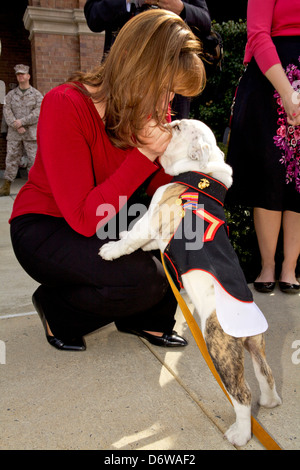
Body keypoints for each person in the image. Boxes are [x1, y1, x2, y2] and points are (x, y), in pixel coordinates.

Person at [9, 10, 206, 351]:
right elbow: (84, 219)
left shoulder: (148, 109)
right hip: (47, 226)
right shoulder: (65, 104)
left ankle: (146, 318)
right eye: (163, 89)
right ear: (132, 65)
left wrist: (188, 174)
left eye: (172, 93)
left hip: (108, 214)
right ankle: (58, 309)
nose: (167, 103)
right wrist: (143, 154)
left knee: (185, 226)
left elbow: (159, 189)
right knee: (141, 279)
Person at [226, 0, 300, 294]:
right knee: (268, 173)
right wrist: (287, 92)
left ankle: (290, 267)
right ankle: (267, 265)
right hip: (271, 79)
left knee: (299, 179)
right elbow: (257, 34)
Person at [84, 0, 211, 119]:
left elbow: (205, 21)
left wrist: (181, 8)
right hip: (123, 73)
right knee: (114, 129)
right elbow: (93, 16)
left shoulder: (171, 92)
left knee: (171, 133)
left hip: (173, 75)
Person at [0, 65, 43, 197]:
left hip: (30, 134)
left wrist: (22, 121)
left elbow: (38, 112)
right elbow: (6, 112)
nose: (20, 76)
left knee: (33, 160)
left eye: (23, 74)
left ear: (28, 76)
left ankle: (34, 187)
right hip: (15, 134)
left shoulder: (36, 95)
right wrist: (16, 124)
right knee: (12, 158)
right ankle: (6, 185)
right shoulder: (10, 95)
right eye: (18, 74)